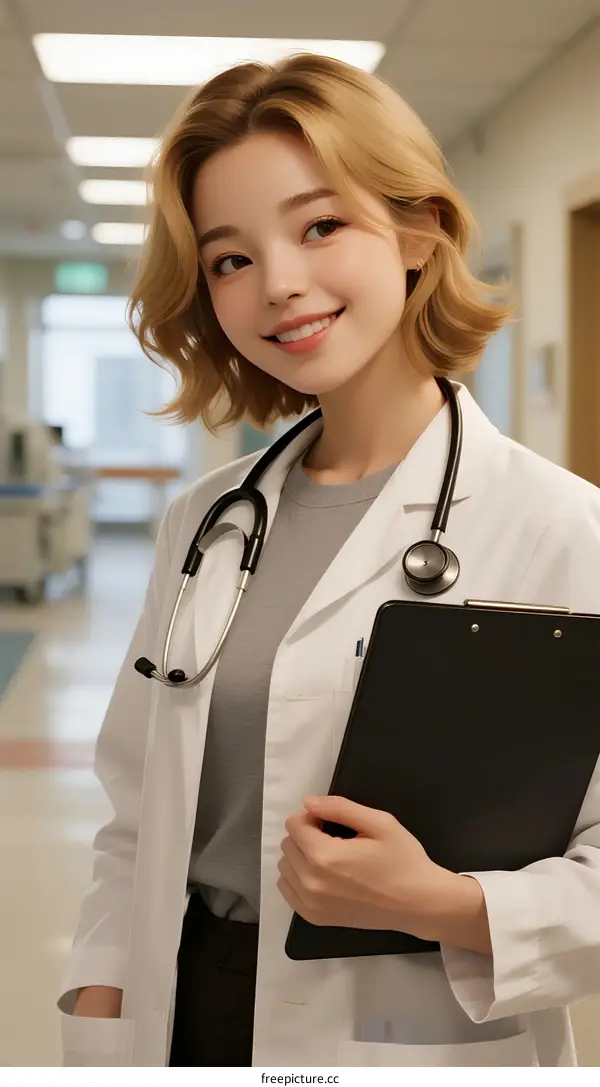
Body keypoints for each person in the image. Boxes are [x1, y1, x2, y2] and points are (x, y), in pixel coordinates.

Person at [58, 54, 600, 1068]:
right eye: (230, 259)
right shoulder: (206, 520)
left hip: (408, 1032)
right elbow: (136, 812)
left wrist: (443, 901)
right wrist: (102, 1002)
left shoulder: (563, 528)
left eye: (319, 227)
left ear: (417, 230)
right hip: (179, 1007)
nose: (279, 285)